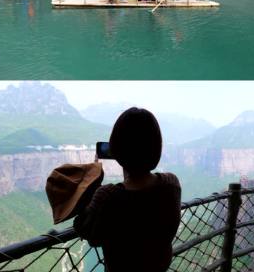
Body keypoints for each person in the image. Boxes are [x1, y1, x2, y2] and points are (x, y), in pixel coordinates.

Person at [74, 108, 181, 272]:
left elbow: (87, 232)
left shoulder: (109, 197)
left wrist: (92, 181)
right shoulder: (171, 184)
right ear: (156, 147)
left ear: (116, 150)